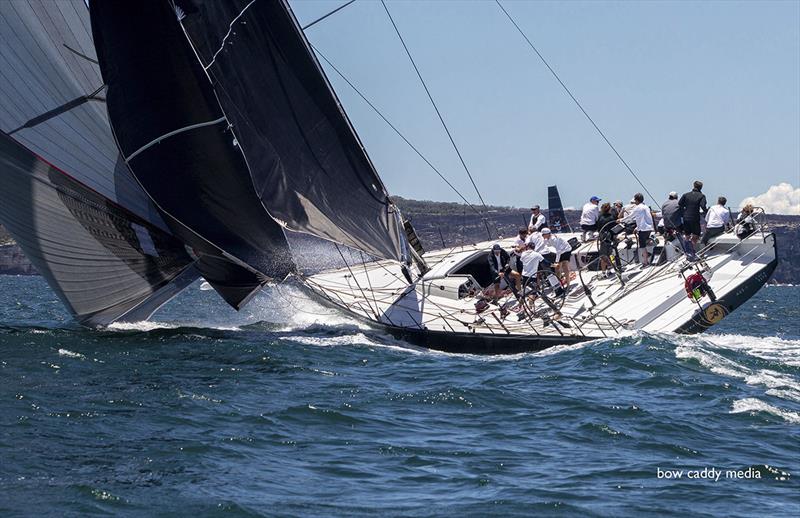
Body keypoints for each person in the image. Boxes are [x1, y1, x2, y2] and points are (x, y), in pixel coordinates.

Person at [620, 193, 655, 266]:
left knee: (642, 246)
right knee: (645, 241)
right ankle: (651, 245)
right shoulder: (646, 207)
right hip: (649, 228)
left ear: (636, 200)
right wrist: (637, 228)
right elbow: (644, 219)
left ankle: (645, 262)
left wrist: (620, 220)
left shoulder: (638, 208)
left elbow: (630, 217)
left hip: (643, 229)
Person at [679, 180, 708, 245]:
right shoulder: (701, 196)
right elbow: (703, 206)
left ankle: (687, 249)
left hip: (685, 217)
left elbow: (680, 204)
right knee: (696, 234)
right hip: (695, 218)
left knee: (687, 235)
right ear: (701, 187)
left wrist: (683, 212)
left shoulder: (685, 195)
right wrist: (707, 212)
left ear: (694, 186)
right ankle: (692, 248)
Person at [596, 202, 618, 274]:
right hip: (611, 238)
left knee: (603, 256)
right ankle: (609, 268)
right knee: (610, 254)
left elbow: (599, 229)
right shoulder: (612, 217)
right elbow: (615, 228)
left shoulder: (600, 218)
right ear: (609, 209)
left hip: (603, 239)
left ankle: (603, 272)